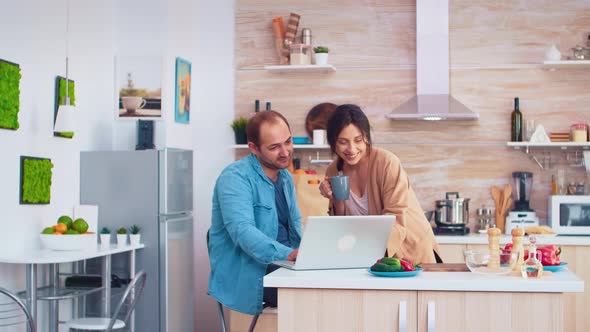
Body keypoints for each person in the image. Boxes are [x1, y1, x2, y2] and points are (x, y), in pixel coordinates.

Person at [318, 104, 441, 264]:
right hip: (373, 258)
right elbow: (343, 224)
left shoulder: (387, 163)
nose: (351, 149)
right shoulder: (333, 171)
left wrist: (369, 254)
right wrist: (333, 198)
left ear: (367, 137)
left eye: (358, 140)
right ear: (333, 141)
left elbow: (394, 217)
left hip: (409, 252)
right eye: (343, 142)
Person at [207, 110, 302, 316]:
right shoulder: (235, 178)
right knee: (314, 296)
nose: (285, 152)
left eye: (288, 142)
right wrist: (289, 254)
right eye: (274, 147)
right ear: (253, 148)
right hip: (252, 274)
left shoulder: (285, 177)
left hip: (286, 267)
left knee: (338, 285)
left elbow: (294, 227)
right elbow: (242, 231)